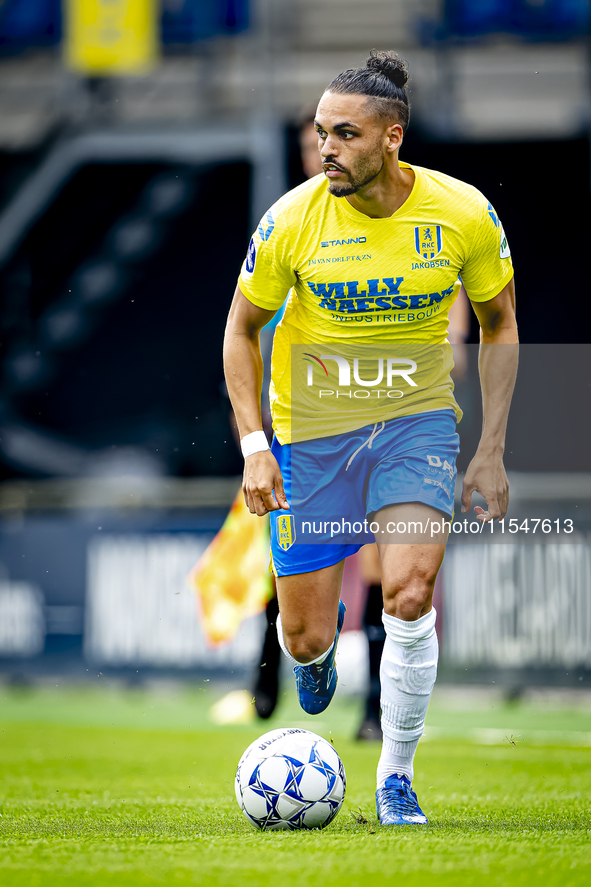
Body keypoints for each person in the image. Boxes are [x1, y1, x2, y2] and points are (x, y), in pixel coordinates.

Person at [223, 50, 518, 825]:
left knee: (410, 590)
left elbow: (500, 322)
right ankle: (311, 660)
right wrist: (256, 446)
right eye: (321, 132)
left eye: (343, 134)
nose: (325, 148)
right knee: (305, 629)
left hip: (414, 424)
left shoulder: (461, 213)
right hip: (314, 435)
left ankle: (395, 775)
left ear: (391, 137)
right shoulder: (290, 218)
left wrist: (488, 447)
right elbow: (240, 330)